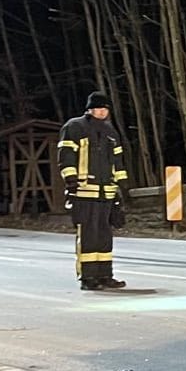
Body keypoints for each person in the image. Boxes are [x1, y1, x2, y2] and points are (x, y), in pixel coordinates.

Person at [57, 92, 129, 291]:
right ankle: (88, 278)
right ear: (89, 109)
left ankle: (105, 275)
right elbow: (66, 155)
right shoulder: (74, 127)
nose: (102, 111)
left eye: (105, 108)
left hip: (106, 192)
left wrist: (122, 186)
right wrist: (71, 180)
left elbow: (118, 161)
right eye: (98, 108)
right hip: (84, 191)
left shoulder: (110, 132)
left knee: (104, 236)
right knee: (88, 235)